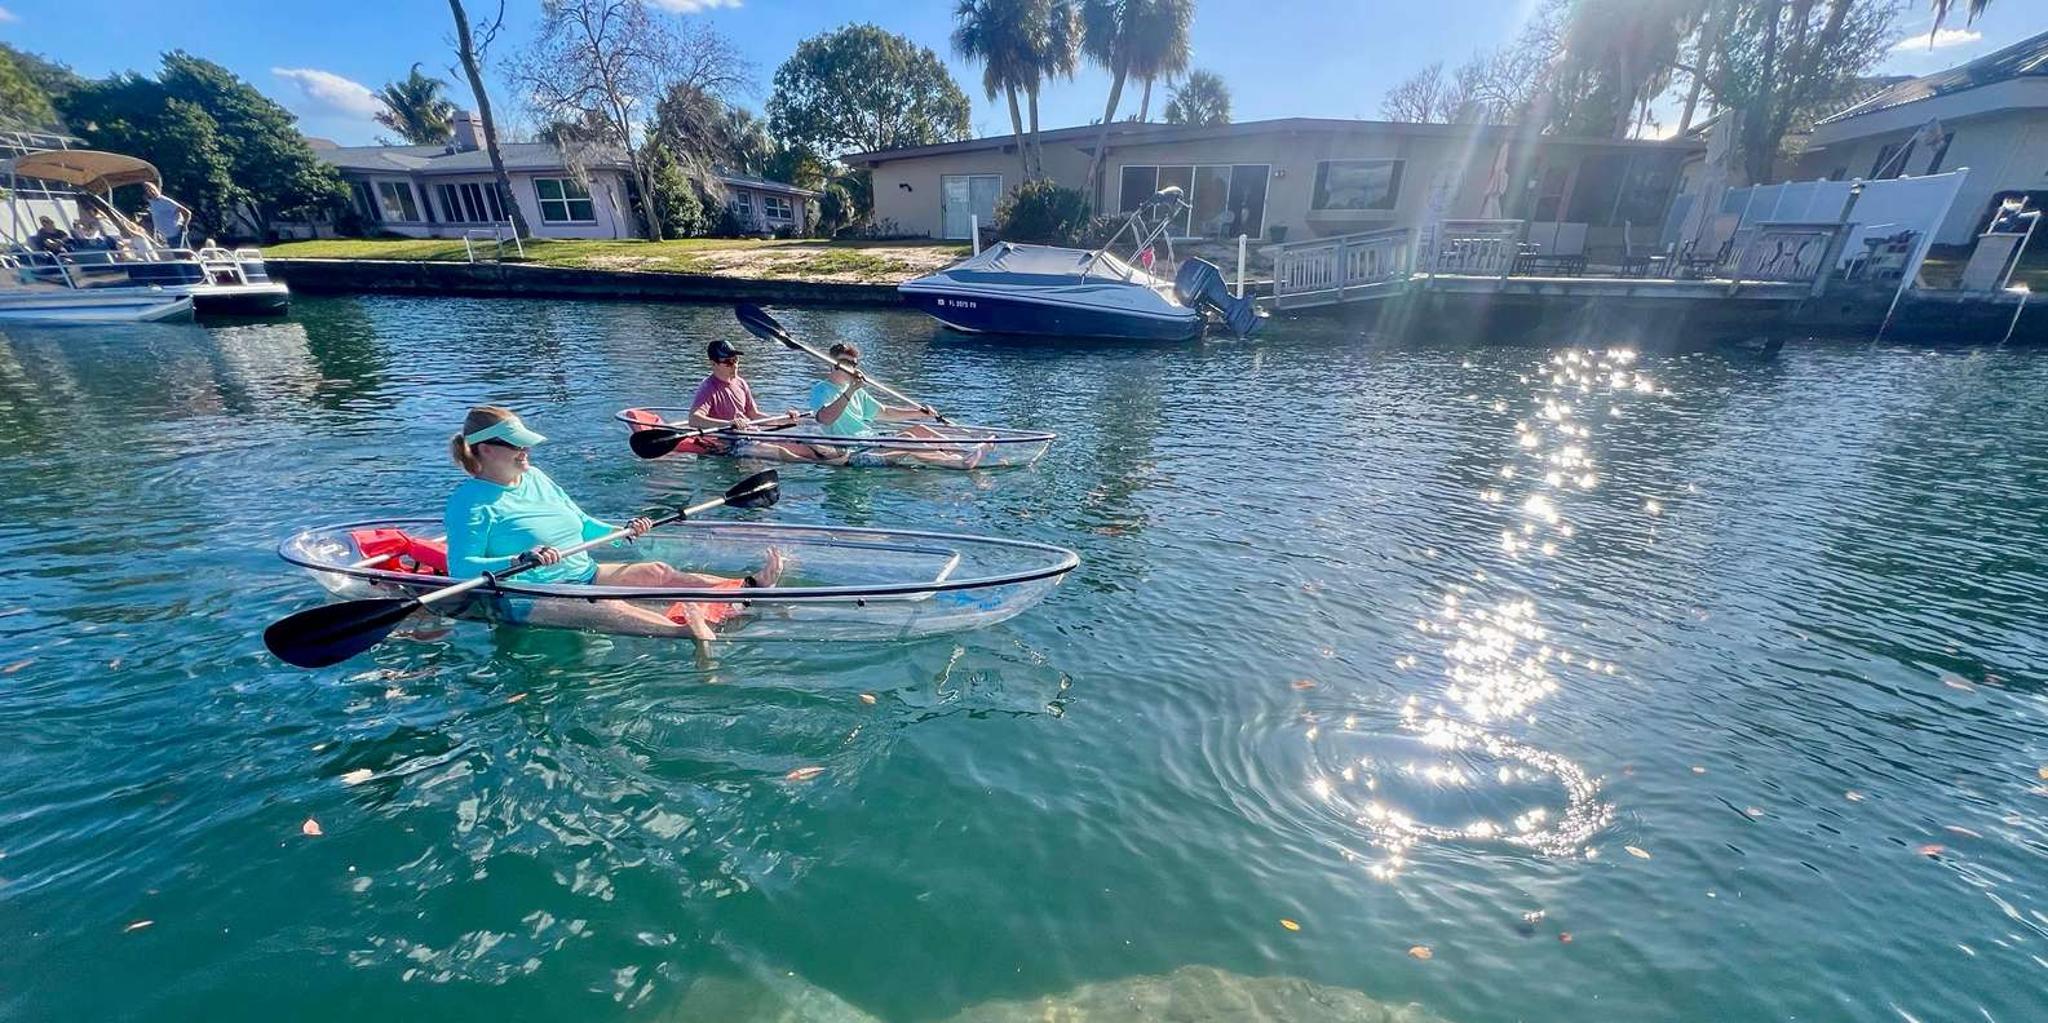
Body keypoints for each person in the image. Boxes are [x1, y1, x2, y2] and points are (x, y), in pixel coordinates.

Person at [444, 405, 783, 645]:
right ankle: (686, 633)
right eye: (516, 444)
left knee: (657, 571)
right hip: (527, 595)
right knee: (607, 607)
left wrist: (623, 532)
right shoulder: (469, 503)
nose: (526, 450)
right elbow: (461, 568)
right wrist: (519, 559)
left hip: (583, 573)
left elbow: (582, 524)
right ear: (486, 450)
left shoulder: (536, 477)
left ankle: (747, 587)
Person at [806, 342, 975, 467]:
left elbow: (885, 412)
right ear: (833, 363)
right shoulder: (821, 390)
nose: (851, 367)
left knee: (920, 429)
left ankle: (964, 451)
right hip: (853, 453)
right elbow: (825, 419)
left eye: (854, 364)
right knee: (907, 439)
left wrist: (920, 412)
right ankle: (955, 463)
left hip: (871, 441)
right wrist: (850, 390)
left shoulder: (857, 391)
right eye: (846, 362)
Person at [686, 338, 816, 461]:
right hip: (732, 442)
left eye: (736, 360)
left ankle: (824, 463)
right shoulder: (708, 387)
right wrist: (728, 423)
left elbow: (754, 414)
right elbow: (693, 419)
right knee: (782, 452)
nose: (734, 365)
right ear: (713, 364)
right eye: (728, 362)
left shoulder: (741, 383)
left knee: (805, 448)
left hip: (752, 434)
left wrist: (784, 420)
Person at [142, 182, 191, 246]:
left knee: (183, 251)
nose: (151, 192)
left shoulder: (164, 201)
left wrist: (185, 226)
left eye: (152, 189)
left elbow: (187, 212)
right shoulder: (152, 203)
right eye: (147, 191)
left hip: (177, 235)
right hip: (166, 238)